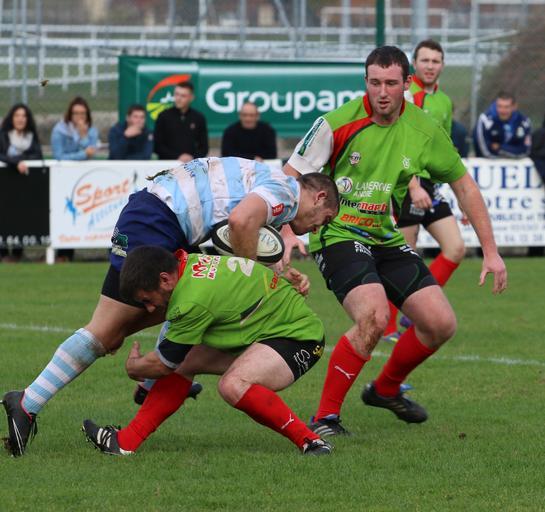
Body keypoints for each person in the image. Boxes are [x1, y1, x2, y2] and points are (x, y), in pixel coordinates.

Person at [1, 156, 339, 457]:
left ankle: (152, 379)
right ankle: (30, 402)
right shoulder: (286, 191)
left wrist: (278, 271)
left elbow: (245, 234)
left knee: (156, 318)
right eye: (323, 220)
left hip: (159, 217)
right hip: (160, 220)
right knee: (113, 330)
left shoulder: (273, 184)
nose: (316, 229)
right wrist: (254, 279)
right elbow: (240, 222)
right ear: (320, 197)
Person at [281, 46, 507, 436]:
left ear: (407, 83)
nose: (382, 92)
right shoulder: (335, 123)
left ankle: (385, 390)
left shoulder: (424, 129)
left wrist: (491, 251)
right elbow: (289, 177)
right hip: (338, 232)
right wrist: (287, 232)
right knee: (374, 316)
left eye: (390, 83)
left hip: (384, 237)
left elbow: (464, 185)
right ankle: (325, 418)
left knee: (440, 324)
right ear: (365, 82)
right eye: (374, 83)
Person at [82, 246, 332, 456]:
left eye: (147, 300)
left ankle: (311, 441)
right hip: (268, 329)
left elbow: (162, 365)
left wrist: (133, 367)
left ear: (165, 279)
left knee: (232, 385)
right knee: (185, 363)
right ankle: (125, 443)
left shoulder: (191, 301)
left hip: (300, 337)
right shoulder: (186, 263)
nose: (149, 308)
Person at [384, 39, 466, 341]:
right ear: (414, 65)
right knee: (403, 256)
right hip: (406, 183)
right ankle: (388, 329)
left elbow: (445, 150)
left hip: (431, 185)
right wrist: (414, 185)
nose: (430, 66)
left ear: (442, 65)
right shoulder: (407, 96)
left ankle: (413, 313)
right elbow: (400, 143)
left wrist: (462, 197)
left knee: (456, 248)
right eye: (425, 61)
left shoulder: (443, 101)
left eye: (436, 61)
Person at [0, 103, 43, 262]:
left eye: (24, 116)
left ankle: (17, 254)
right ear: (12, 118)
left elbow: (37, 155)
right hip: (5, 185)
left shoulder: (31, 137)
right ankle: (3, 253)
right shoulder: (3, 135)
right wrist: (15, 162)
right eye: (17, 115)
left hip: (23, 186)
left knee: (20, 217)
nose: (20, 119)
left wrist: (20, 159)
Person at [154, 81, 208, 162]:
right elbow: (157, 145)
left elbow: (204, 147)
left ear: (191, 98)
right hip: (167, 164)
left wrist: (192, 158)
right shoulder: (163, 116)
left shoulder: (199, 118)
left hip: (191, 165)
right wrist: (177, 157)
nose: (178, 98)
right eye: (176, 94)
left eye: (183, 96)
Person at [473, 92, 531, 158]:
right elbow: (484, 150)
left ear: (514, 107)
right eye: (499, 106)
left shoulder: (523, 122)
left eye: (506, 107)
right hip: (488, 163)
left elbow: (524, 150)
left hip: (516, 162)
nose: (502, 110)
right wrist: (512, 150)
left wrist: (500, 147)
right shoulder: (485, 120)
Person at [51, 96, 99, 161]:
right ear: (70, 115)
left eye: (83, 113)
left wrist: (83, 136)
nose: (80, 117)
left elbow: (92, 155)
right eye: (76, 113)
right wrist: (83, 154)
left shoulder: (92, 130)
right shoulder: (59, 131)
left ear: (87, 115)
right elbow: (59, 157)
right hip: (65, 166)